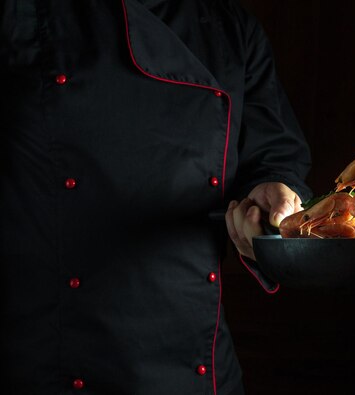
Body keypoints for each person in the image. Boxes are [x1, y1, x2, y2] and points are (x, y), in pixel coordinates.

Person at [0, 0, 311, 394]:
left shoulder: (229, 30)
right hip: (46, 357)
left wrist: (273, 202)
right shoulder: (21, 15)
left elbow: (274, 157)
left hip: (192, 363)